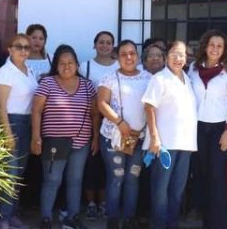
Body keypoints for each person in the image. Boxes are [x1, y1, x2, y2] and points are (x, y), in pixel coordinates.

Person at [32, 46, 98, 229]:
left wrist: (95, 138)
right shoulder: (47, 83)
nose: (66, 66)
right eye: (62, 63)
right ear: (56, 65)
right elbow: (36, 111)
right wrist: (36, 137)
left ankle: (72, 217)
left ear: (77, 65)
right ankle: (46, 219)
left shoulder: (87, 85)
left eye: (70, 63)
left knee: (75, 181)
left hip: (81, 143)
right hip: (54, 142)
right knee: (52, 180)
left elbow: (95, 114)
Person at [142, 41, 199, 229]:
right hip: (165, 143)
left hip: (185, 143)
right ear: (167, 57)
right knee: (161, 188)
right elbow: (149, 107)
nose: (177, 58)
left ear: (186, 58)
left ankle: (172, 224)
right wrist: (154, 138)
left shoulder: (187, 79)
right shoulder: (159, 79)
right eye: (174, 54)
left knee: (177, 189)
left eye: (181, 54)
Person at [188, 31, 227, 229]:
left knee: (216, 175)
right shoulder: (193, 68)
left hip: (220, 128)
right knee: (200, 171)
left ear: (224, 50)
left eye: (219, 46)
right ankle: (201, 216)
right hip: (197, 127)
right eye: (212, 45)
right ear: (205, 46)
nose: (215, 49)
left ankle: (217, 223)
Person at [97, 41, 150, 229]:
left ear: (137, 55)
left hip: (138, 138)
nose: (128, 57)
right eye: (123, 54)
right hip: (114, 137)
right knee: (116, 178)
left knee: (132, 179)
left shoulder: (148, 77)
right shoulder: (109, 78)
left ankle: (129, 220)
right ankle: (112, 221)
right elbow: (102, 104)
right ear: (117, 57)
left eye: (132, 53)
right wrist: (120, 123)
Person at [0, 35, 38, 229]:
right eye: (19, 46)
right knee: (9, 174)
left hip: (26, 123)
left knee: (18, 173)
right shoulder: (5, 72)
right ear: (10, 49)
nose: (23, 50)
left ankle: (12, 215)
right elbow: (0, 105)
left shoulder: (29, 70)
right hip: (10, 122)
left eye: (27, 47)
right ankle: (2, 218)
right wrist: (7, 133)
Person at [83, 31, 118, 219]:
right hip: (90, 120)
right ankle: (90, 203)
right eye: (101, 42)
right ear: (94, 44)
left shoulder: (120, 65)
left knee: (108, 165)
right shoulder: (85, 66)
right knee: (91, 163)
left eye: (109, 42)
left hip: (115, 122)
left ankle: (104, 203)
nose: (105, 45)